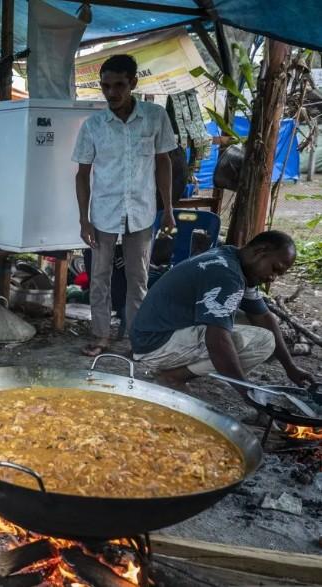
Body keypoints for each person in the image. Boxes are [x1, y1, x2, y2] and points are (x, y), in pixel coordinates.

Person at [73, 54, 176, 357]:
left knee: (138, 278)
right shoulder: (93, 125)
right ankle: (100, 336)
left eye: (119, 85)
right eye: (105, 86)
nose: (112, 93)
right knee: (99, 278)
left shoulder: (155, 116)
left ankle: (136, 339)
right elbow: (82, 174)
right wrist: (83, 219)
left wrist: (168, 207)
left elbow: (163, 162)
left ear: (133, 83)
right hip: (103, 212)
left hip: (142, 212)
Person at [131, 231, 316, 391]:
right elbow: (217, 341)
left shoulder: (234, 259)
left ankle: (178, 372)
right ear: (260, 252)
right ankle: (174, 376)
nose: (272, 278)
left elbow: (263, 318)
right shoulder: (227, 275)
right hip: (155, 344)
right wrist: (247, 392)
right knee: (262, 341)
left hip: (154, 335)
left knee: (256, 327)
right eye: (275, 269)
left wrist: (290, 367)